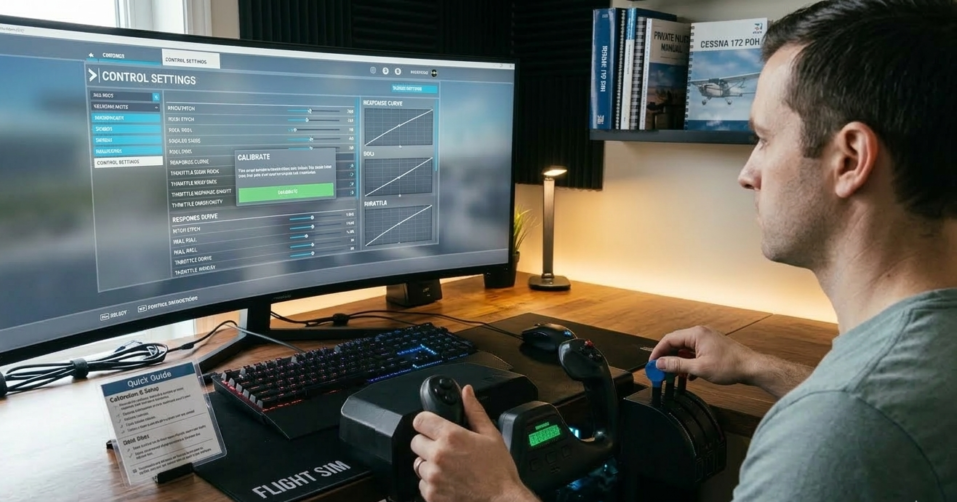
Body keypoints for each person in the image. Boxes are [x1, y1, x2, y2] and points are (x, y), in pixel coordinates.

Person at [409, 0, 957, 500]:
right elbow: (870, 399)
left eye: (764, 139)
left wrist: (499, 493)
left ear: (851, 159)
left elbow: (849, 413)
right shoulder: (920, 357)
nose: (748, 173)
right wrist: (756, 365)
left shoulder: (828, 438)